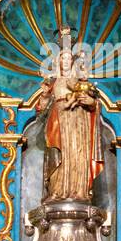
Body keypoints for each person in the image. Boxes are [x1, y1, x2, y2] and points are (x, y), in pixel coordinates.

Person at [36, 41, 103, 202]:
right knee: (59, 155)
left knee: (77, 153)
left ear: (72, 62)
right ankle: (57, 192)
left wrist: (91, 103)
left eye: (68, 59)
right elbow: (41, 111)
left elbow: (94, 103)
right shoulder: (53, 83)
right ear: (58, 62)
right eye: (62, 58)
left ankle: (79, 192)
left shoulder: (80, 82)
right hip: (58, 122)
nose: (65, 61)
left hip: (79, 123)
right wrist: (45, 96)